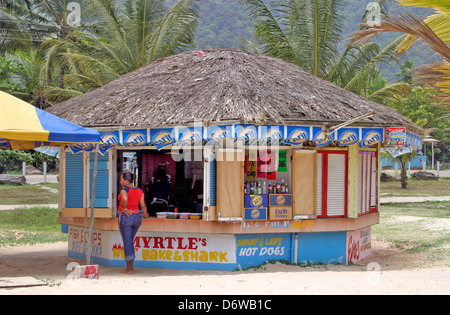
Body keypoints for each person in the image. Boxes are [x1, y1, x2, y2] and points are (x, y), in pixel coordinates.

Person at [118, 172, 149, 274]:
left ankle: (129, 269)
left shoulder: (124, 190)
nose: (121, 181)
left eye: (122, 180)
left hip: (126, 217)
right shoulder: (140, 191)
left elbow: (125, 198)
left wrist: (124, 208)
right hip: (137, 217)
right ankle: (130, 266)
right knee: (129, 241)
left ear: (126, 181)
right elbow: (143, 205)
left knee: (127, 242)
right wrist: (146, 215)